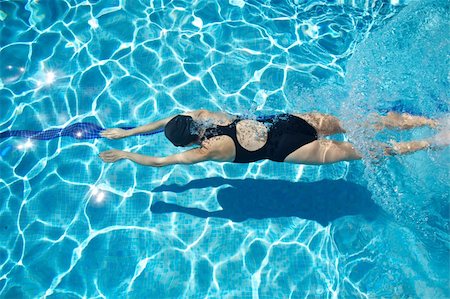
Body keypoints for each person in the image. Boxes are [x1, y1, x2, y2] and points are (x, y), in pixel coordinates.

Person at [99, 110, 444, 167]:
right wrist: (131, 131)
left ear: (188, 143)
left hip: (290, 148)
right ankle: (433, 120)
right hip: (291, 120)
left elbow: (160, 162)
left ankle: (437, 140)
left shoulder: (205, 152)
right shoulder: (207, 116)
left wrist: (127, 152)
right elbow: (168, 119)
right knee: (367, 121)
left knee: (370, 152)